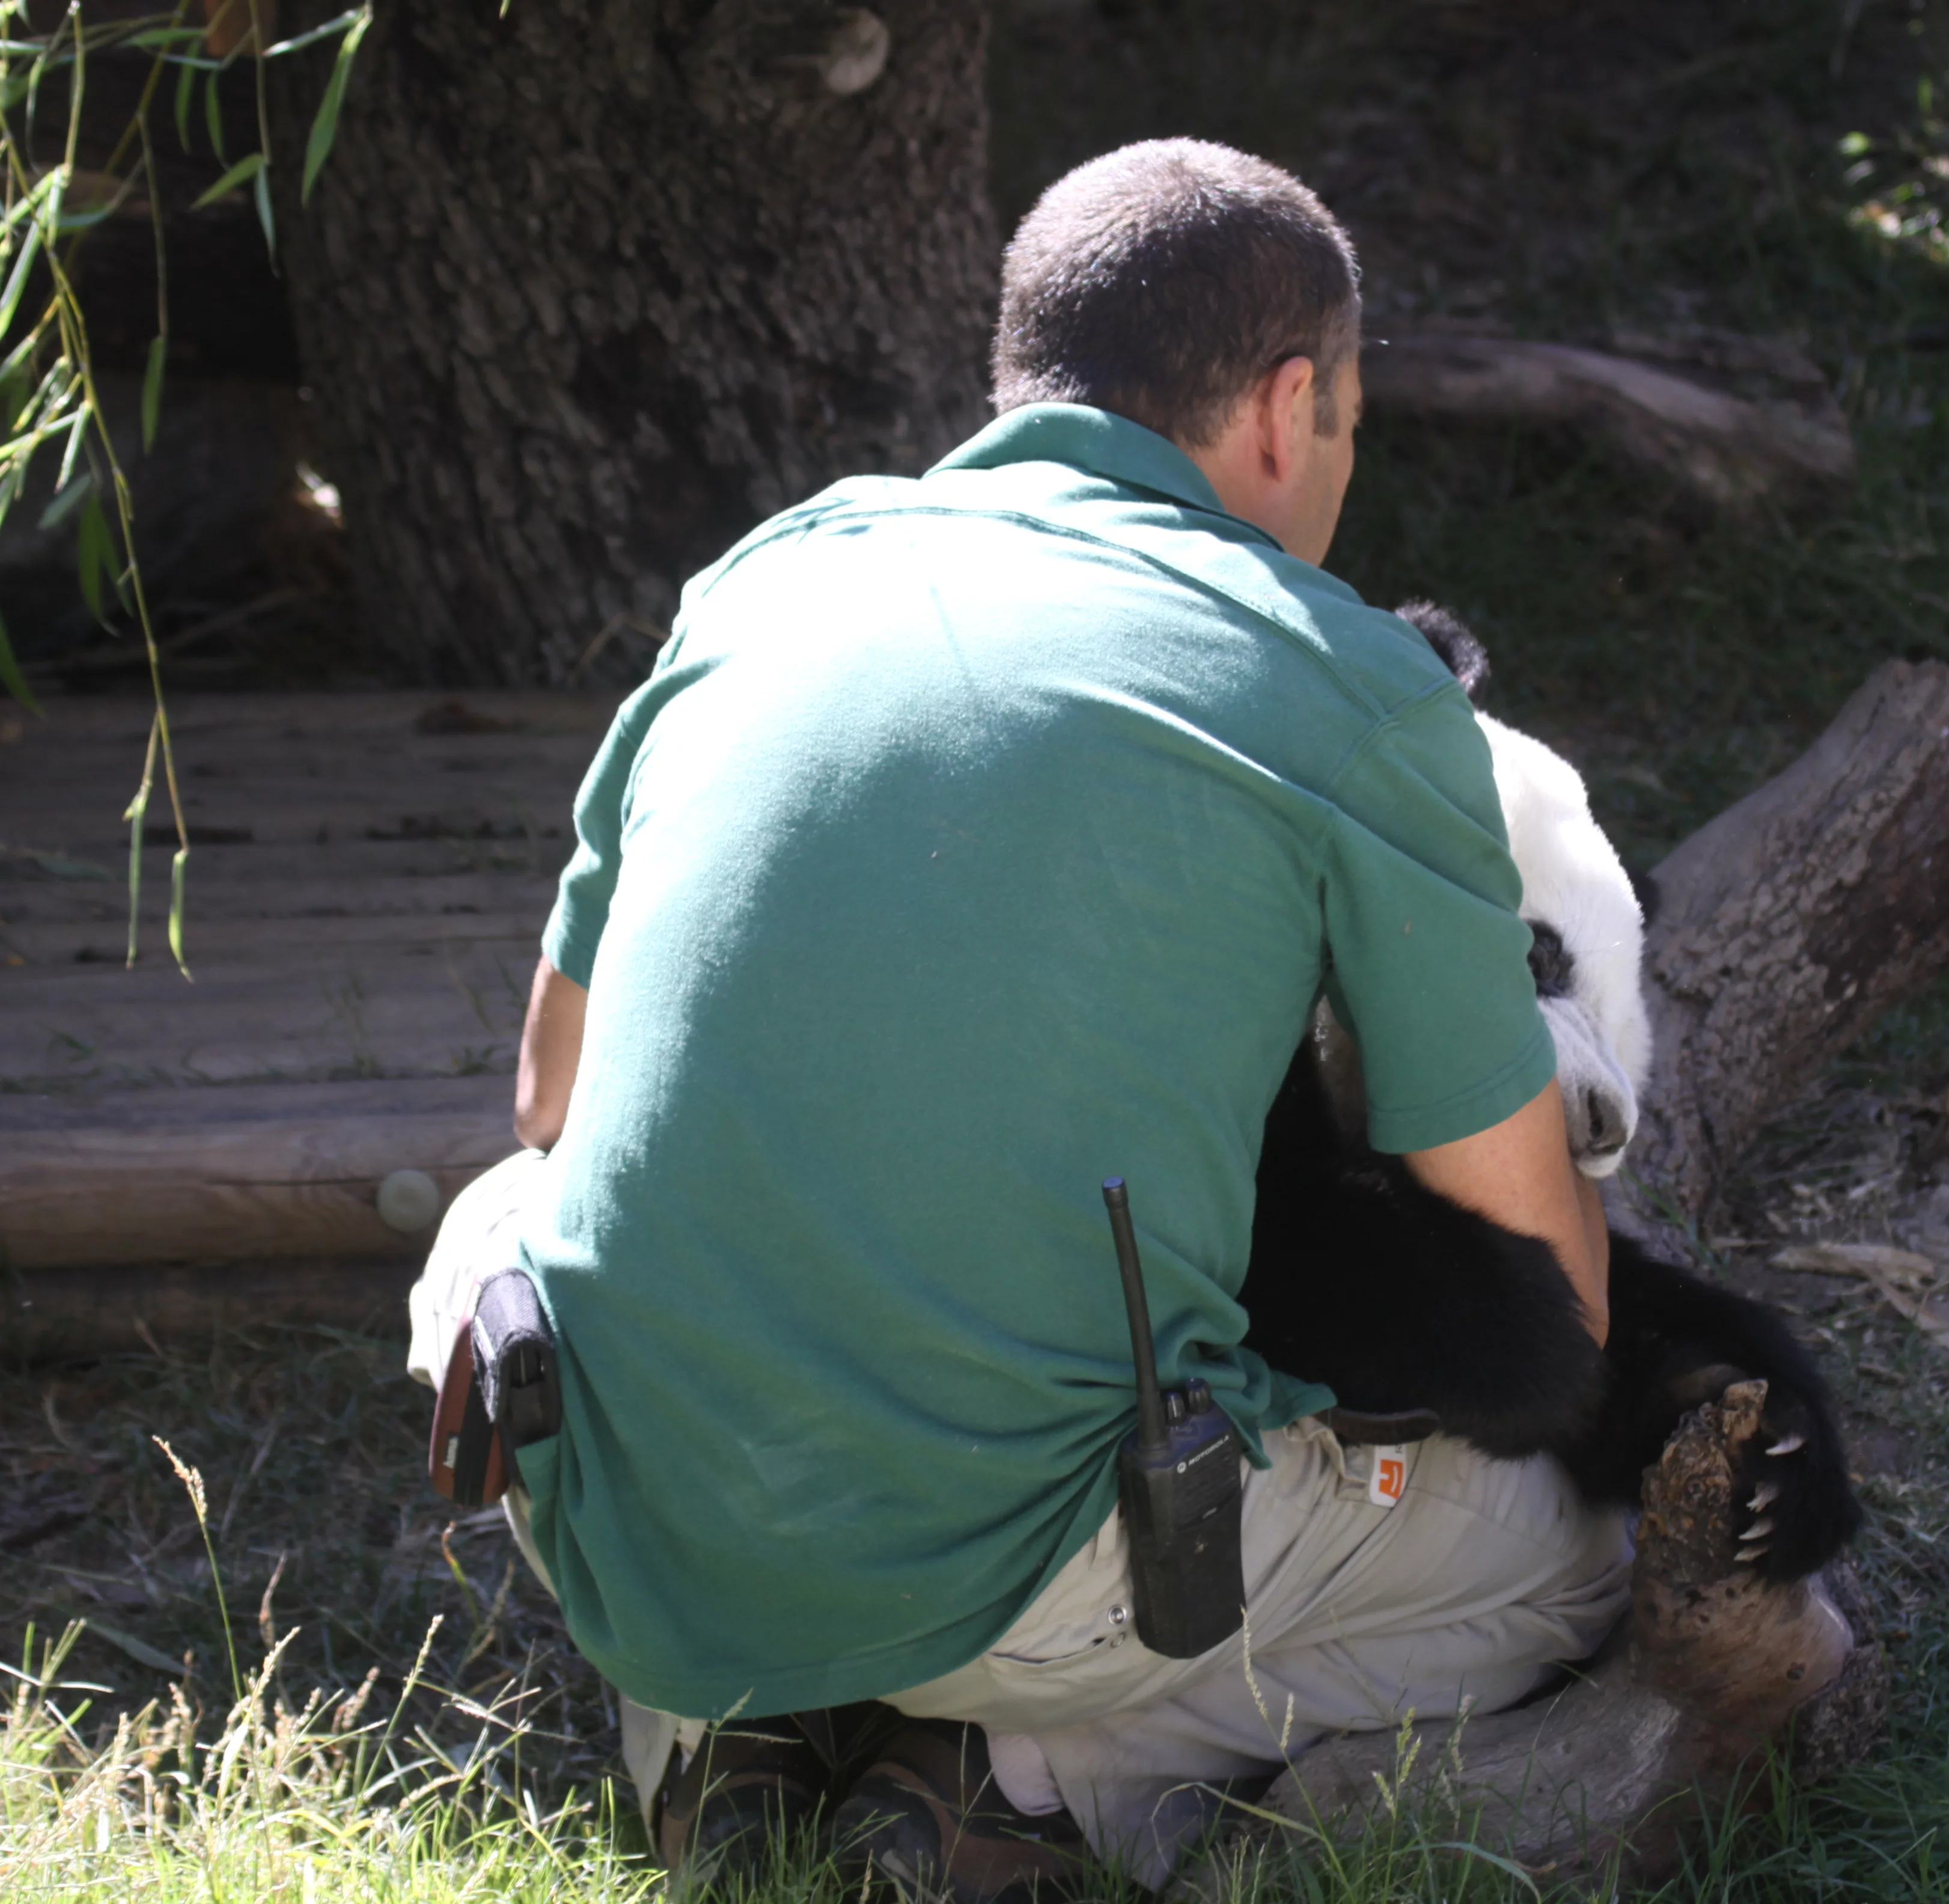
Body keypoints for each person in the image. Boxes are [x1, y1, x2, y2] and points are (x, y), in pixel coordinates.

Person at [410, 139, 1632, 1900]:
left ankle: (721, 1730)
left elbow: (550, 1091)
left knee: (490, 1216)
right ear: (1291, 408)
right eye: (1351, 427)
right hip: (1041, 1571)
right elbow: (1558, 1303)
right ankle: (1027, 1772)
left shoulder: (764, 576)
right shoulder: (1352, 681)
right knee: (1571, 1562)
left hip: (631, 1519)